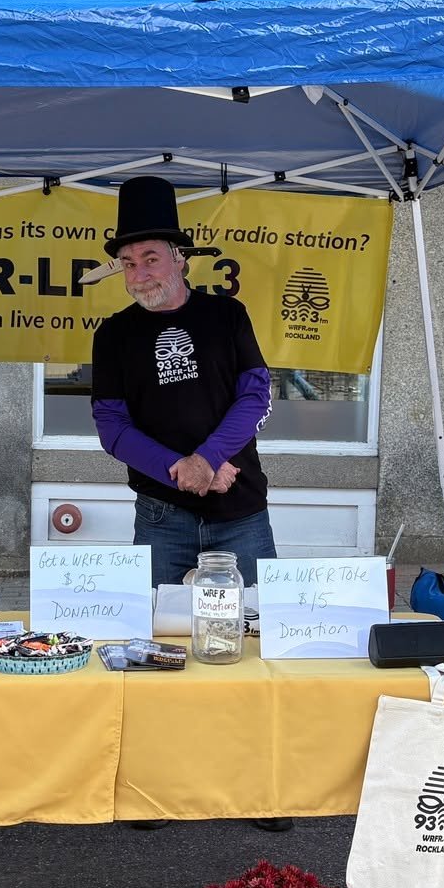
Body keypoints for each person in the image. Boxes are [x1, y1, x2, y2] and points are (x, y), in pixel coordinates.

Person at [90, 175, 278, 586]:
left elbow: (255, 397)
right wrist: (182, 470)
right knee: (159, 634)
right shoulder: (112, 335)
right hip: (161, 514)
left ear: (179, 258)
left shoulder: (227, 315)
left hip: (239, 506)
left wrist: (207, 460)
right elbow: (111, 429)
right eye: (128, 263)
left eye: (150, 258)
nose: (139, 274)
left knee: (254, 625)